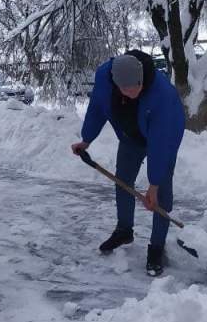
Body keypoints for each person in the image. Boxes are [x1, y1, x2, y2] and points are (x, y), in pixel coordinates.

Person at [71, 50, 185, 276]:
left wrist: (153, 184)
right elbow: (97, 108)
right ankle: (124, 230)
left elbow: (161, 143)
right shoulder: (105, 78)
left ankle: (156, 247)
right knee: (123, 178)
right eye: (126, 89)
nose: (132, 92)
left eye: (136, 87)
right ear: (115, 83)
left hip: (165, 134)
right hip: (131, 136)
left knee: (161, 192)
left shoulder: (161, 94)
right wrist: (86, 139)